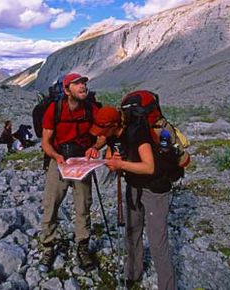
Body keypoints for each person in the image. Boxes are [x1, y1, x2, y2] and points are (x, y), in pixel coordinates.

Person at [90, 106, 177, 290]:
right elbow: (110, 157)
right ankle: (132, 273)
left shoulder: (137, 132)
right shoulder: (112, 134)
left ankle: (168, 286)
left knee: (157, 242)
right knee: (132, 231)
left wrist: (120, 163)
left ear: (114, 124)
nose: (100, 135)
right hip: (133, 185)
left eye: (103, 131)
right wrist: (110, 161)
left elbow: (149, 167)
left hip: (155, 188)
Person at [39, 73, 101, 272]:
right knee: (51, 205)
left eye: (84, 83)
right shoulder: (54, 109)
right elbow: (45, 142)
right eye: (77, 84)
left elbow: (102, 134)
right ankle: (48, 245)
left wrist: (96, 147)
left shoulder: (91, 109)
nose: (83, 86)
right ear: (67, 90)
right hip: (59, 161)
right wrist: (56, 157)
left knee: (83, 205)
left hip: (82, 161)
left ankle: (82, 246)